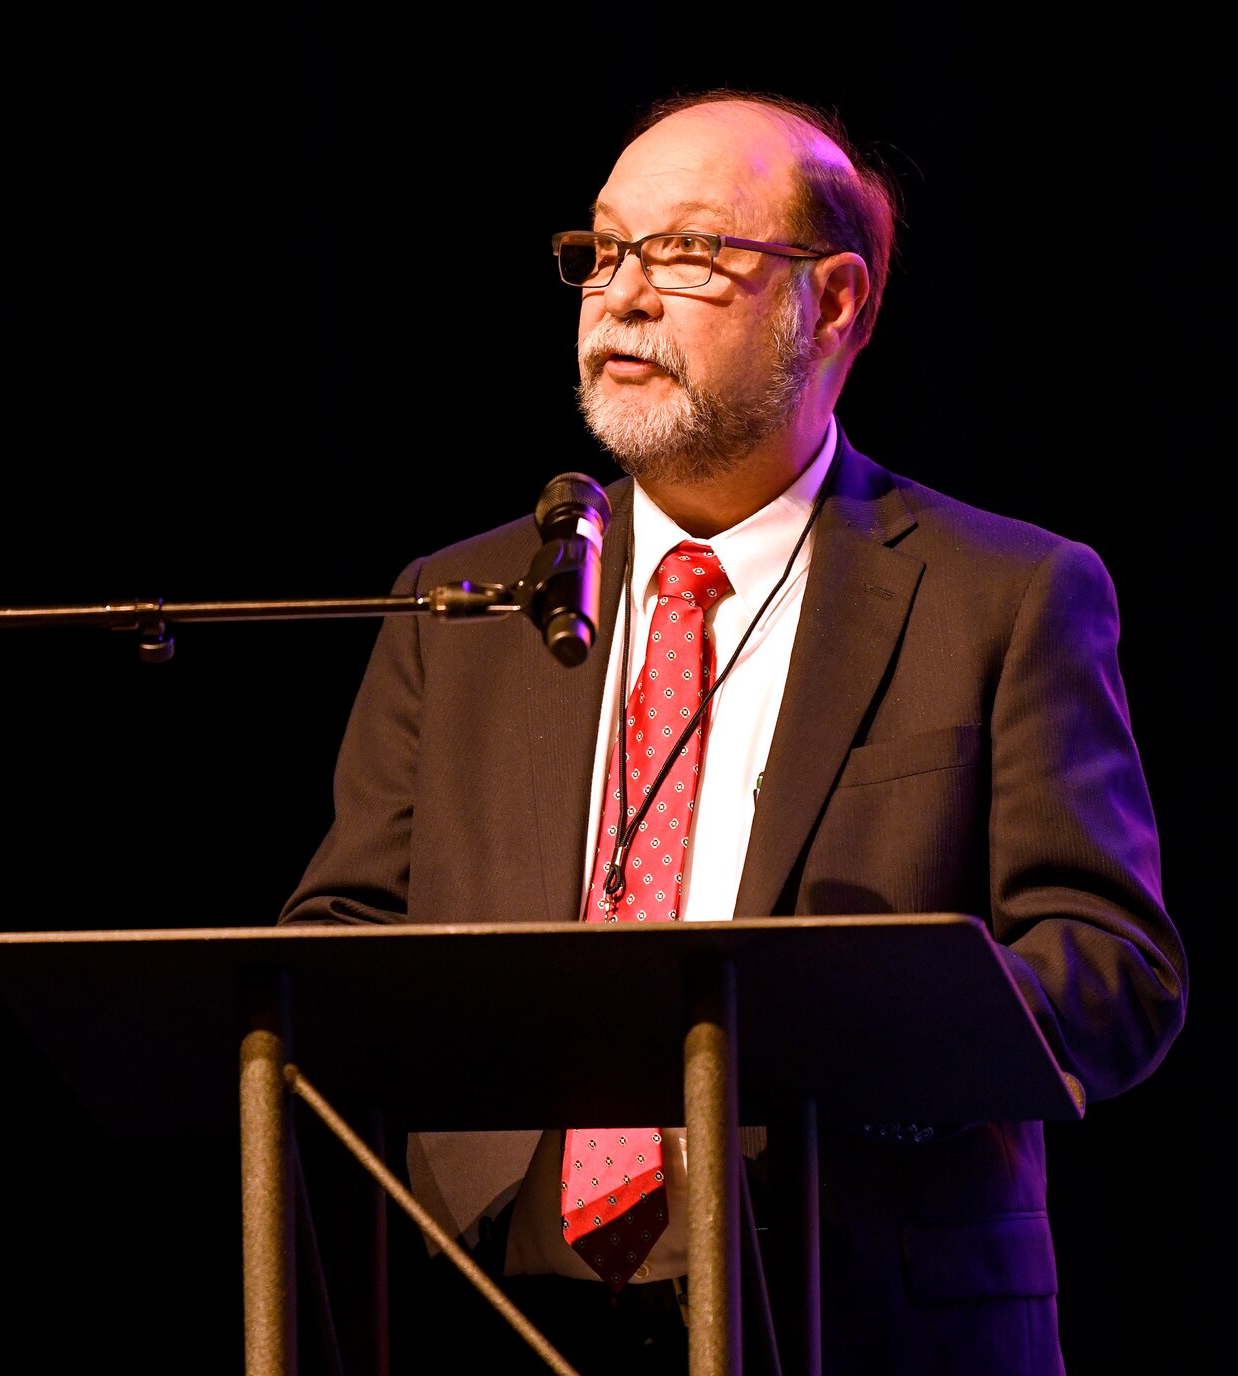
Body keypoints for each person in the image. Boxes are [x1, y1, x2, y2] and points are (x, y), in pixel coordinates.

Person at [278, 89, 1187, 1376]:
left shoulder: (1004, 595)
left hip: (860, 1312)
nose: (621, 295)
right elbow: (335, 946)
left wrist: (847, 1034)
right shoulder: (461, 604)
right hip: (494, 1307)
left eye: (688, 252)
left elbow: (1110, 969)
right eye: (600, 250)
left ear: (832, 304)